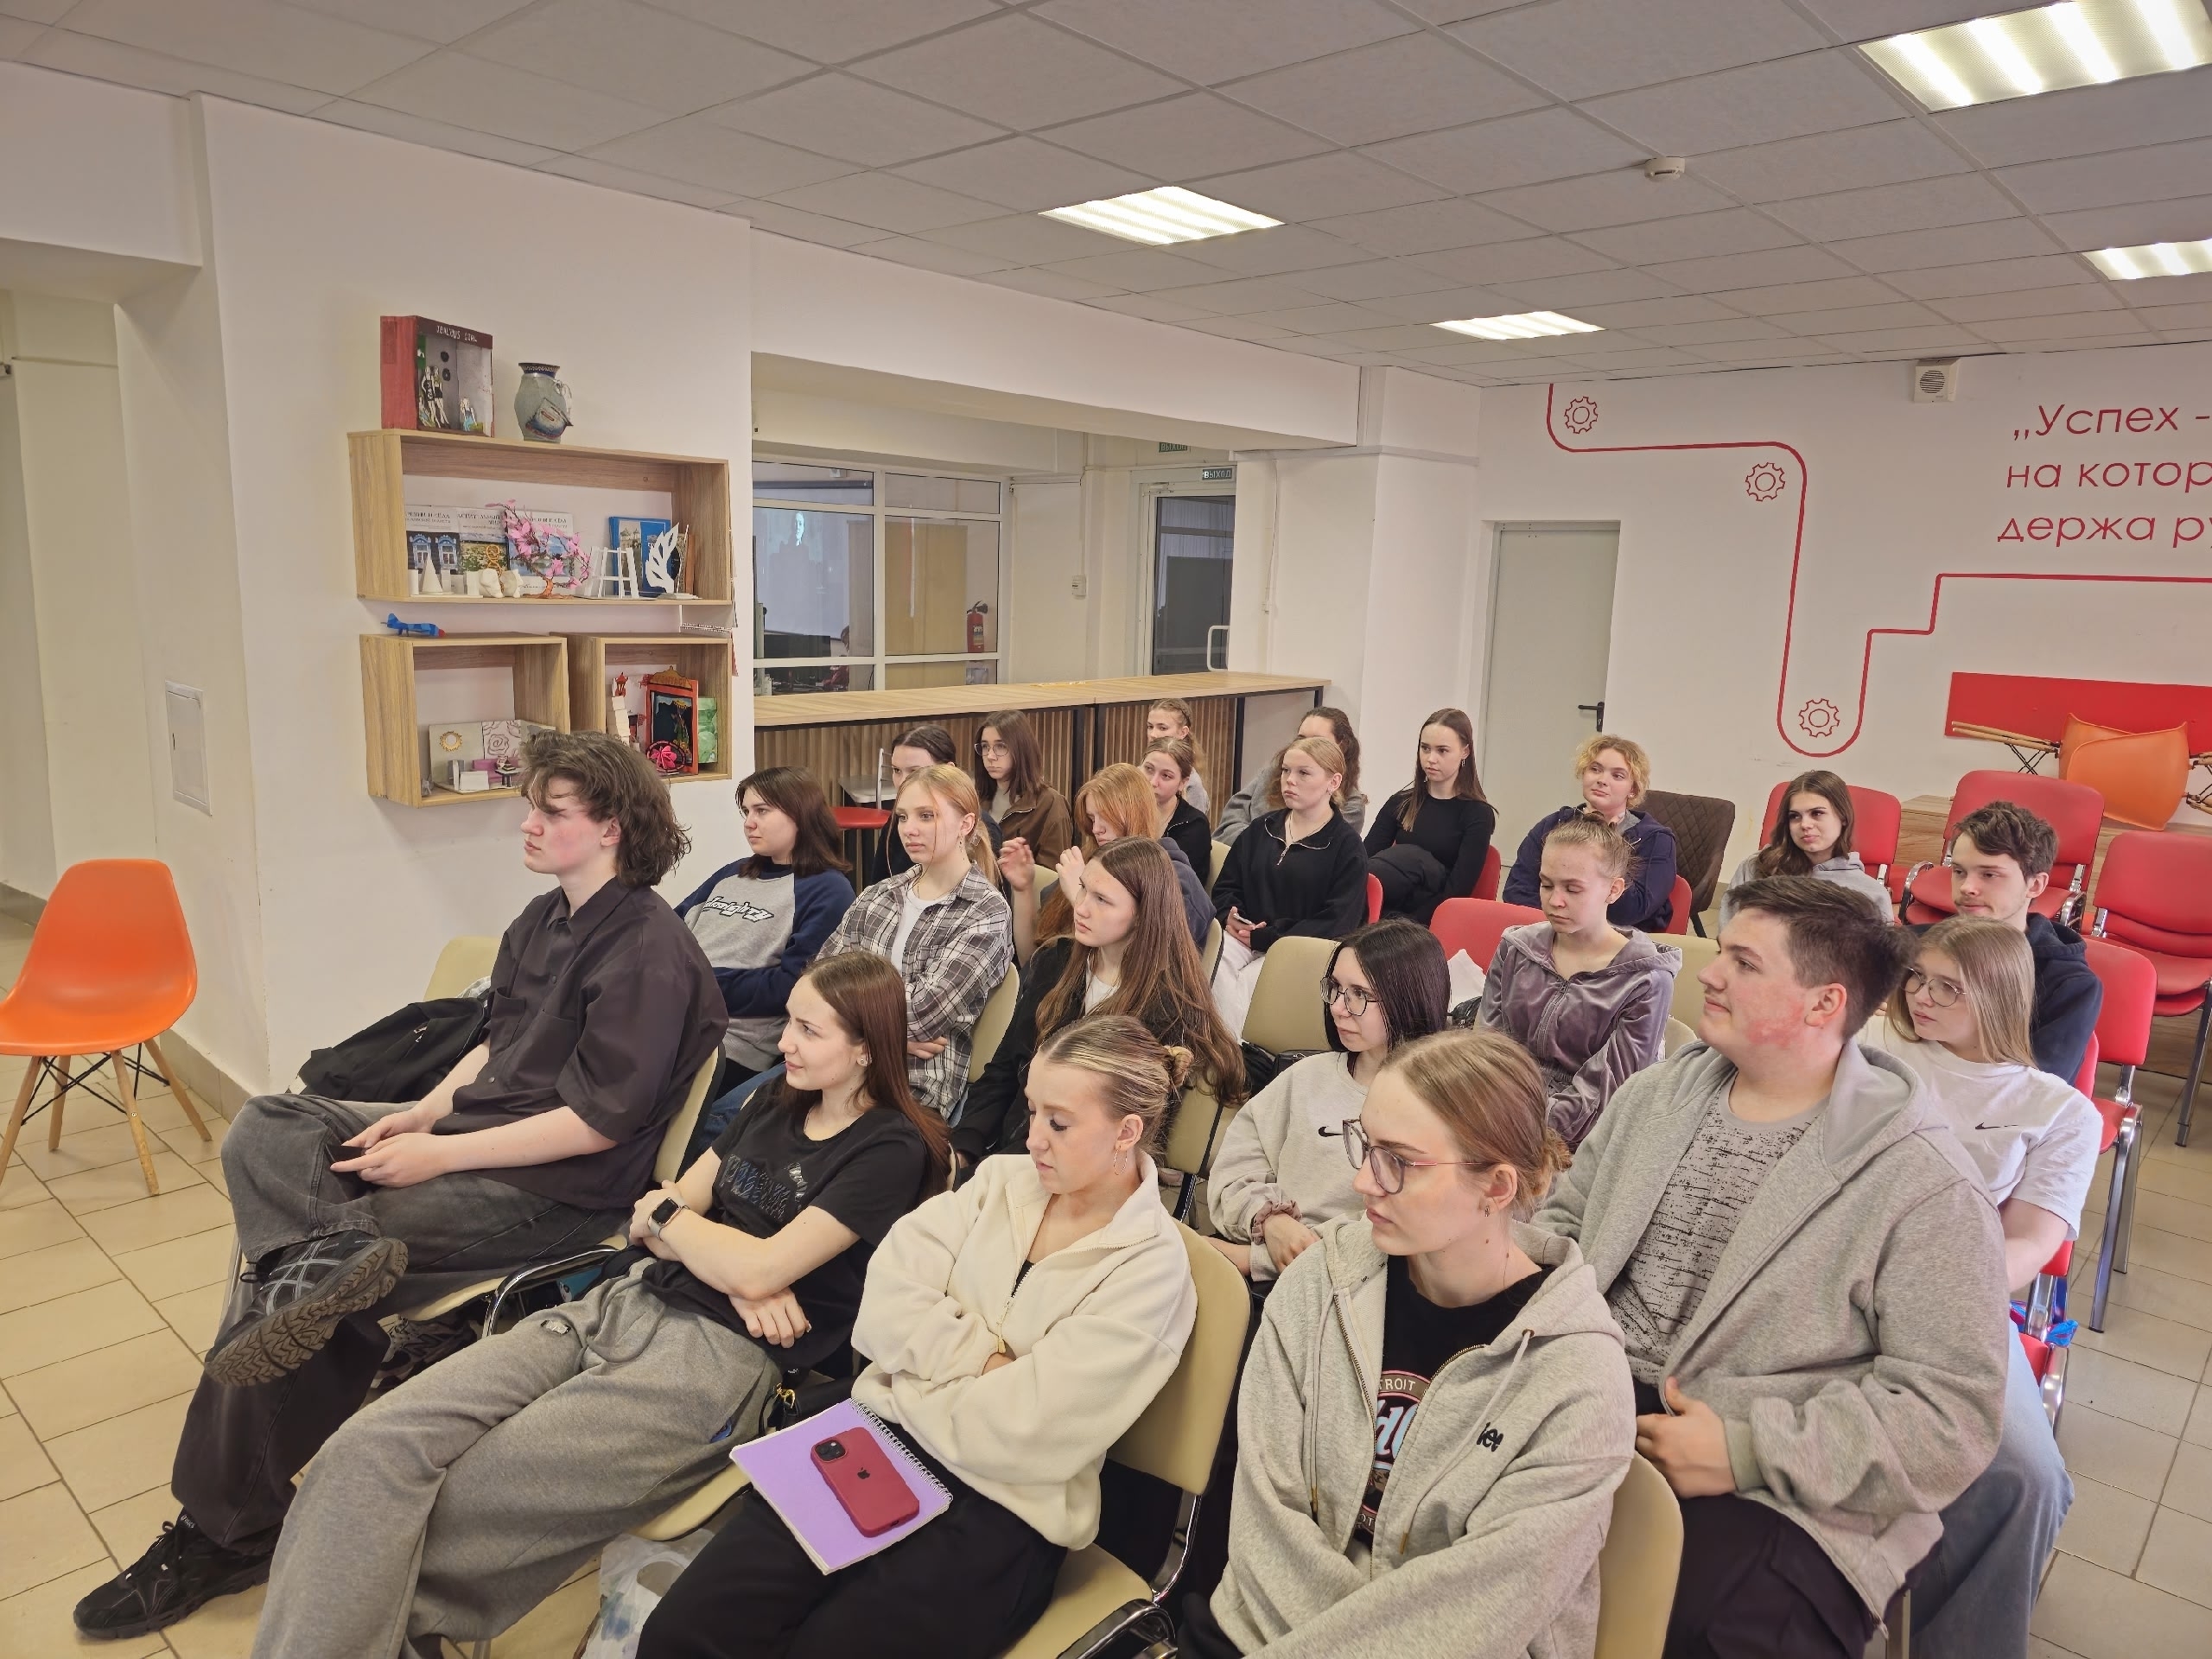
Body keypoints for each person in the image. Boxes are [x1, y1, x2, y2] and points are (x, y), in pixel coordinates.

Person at [75, 732, 728, 1639]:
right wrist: (420, 1116)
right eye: (530, 806)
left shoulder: (649, 954)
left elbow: (597, 1125)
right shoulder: (543, 919)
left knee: (292, 1282)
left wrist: (439, 1157)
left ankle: (226, 1529)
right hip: (474, 1136)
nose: (527, 825)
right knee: (272, 1124)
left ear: (612, 828)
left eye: (551, 812)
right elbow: (494, 1046)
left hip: (556, 1190)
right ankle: (319, 1266)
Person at [246, 955, 944, 1659]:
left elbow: (736, 1249)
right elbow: (657, 1212)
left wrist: (718, 1250)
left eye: (809, 1031)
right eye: (788, 1022)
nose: (784, 1042)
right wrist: (733, 1267)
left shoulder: (892, 1147)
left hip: (714, 1362)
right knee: (368, 1449)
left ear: (866, 1048)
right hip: (623, 1300)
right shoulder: (773, 1102)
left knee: (459, 1501)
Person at [1534, 876, 2009, 1658]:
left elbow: (1949, 1417)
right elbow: (1561, 1228)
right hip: (1591, 1395)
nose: (1710, 974)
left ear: (1824, 1004)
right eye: (1721, 952)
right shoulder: (1657, 1095)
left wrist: (1747, 1450)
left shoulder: (1924, 1184)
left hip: (1785, 1478)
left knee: (1693, 1630)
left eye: (1744, 963)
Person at [638, 1015, 1200, 1659]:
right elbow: (885, 1300)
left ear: (1127, 1132)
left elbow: (1034, 1431)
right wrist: (985, 1361)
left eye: (1060, 1123)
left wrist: (920, 1373)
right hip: (877, 1439)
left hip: (1002, 1508)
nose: (1033, 1139)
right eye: (1032, 1111)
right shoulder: (999, 1182)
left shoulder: (1152, 1271)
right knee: (684, 1635)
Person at [1187, 1029, 1635, 1659]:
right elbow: (1265, 1518)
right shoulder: (1320, 1282)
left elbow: (1476, 1616)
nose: (1363, 1181)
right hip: (1252, 1629)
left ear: (1497, 1187)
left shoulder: (1579, 1380)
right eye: (1366, 1146)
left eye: (1398, 1161)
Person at [1859, 918, 2099, 1659]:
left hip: (1954, 1303)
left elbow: (2029, 1244)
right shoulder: (1871, 1048)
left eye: (1948, 987)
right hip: (1831, 1272)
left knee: (2027, 1478)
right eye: (1917, 979)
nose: (1921, 998)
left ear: (1998, 997)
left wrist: (1929, 1289)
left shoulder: (2058, 1110)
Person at [955, 836, 1243, 1174]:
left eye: (1102, 900)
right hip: (1016, 1151)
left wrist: (994, 1170)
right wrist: (962, 1149)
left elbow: (1110, 1134)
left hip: (1083, 1170)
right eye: (1082, 889)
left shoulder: (1167, 1008)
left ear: (1143, 915)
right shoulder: (1055, 963)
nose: (1081, 907)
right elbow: (1004, 1070)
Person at [1208, 919, 1449, 1281]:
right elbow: (1236, 1165)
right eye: (1335, 988)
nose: (1338, 1007)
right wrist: (1270, 1220)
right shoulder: (1306, 1076)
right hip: (1266, 1253)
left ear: (1408, 999)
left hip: (1354, 1290)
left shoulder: (1437, 1107)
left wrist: (1253, 1259)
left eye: (1359, 994)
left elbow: (1396, 1236)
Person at [817, 765, 1012, 1121]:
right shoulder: (880, 894)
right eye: (903, 817)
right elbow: (817, 984)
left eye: (926, 816)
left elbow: (922, 1014)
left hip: (912, 1084)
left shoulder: (985, 911)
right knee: (741, 1119)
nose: (909, 829)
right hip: (834, 1062)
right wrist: (889, 1038)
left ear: (966, 824)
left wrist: (855, 1019)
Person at [1479, 818, 1680, 1150]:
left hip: (1578, 1138)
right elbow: (1487, 1047)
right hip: (1502, 1110)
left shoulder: (1645, 979)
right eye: (1546, 885)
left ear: (1614, 890)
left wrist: (1519, 1125)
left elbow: (1606, 1094)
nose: (1555, 901)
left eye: (1573, 889)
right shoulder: (1516, 948)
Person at [676, 766, 855, 1103]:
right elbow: (667, 931)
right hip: (668, 1014)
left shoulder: (828, 890)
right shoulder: (732, 873)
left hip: (728, 1044)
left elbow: (790, 986)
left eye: (762, 811)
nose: (749, 823)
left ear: (800, 815)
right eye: (746, 811)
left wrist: (694, 984)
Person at [1928, 800, 2101, 1084]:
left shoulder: (2070, 985)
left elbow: (2037, 1091)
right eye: (1959, 871)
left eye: (1989, 874)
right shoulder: (1917, 948)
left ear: (2035, 885)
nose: (1966, 887)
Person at [1210, 735, 1370, 1038]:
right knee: (1209, 964)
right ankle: (1220, 1048)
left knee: (1252, 983)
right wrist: (1230, 916)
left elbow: (1337, 922)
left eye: (1303, 773)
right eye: (1285, 771)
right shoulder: (1261, 829)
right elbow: (1226, 886)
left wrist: (1269, 936)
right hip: (1244, 938)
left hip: (1298, 950)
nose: (1289, 780)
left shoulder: (1346, 847)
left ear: (1333, 782)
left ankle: (1236, 1054)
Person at [1001, 762, 1210, 963]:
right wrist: (1023, 889)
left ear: (1136, 814)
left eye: (1106, 817)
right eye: (1092, 818)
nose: (1096, 829)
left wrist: (1079, 895)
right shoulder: (1092, 862)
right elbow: (1034, 959)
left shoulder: (1175, 877)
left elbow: (1148, 964)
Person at [1503, 733, 1677, 936]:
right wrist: (1556, 924)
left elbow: (1632, 910)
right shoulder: (1553, 825)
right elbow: (1516, 890)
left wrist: (1602, 844)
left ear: (1633, 789)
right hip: (1547, 932)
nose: (1602, 780)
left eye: (1617, 776)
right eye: (1595, 769)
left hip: (1617, 942)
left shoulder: (1656, 840)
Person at [1362, 708, 1497, 925]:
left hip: (1429, 916)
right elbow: (1365, 860)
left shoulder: (1477, 814)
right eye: (1425, 748)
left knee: (1412, 857)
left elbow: (1458, 890)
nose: (1431, 759)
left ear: (1465, 752)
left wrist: (1407, 924)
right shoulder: (1401, 802)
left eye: (1442, 751)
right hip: (1384, 903)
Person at [1718, 770, 1891, 927]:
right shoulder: (1755, 867)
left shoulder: (1871, 894)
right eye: (1795, 816)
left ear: (1843, 817)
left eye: (1817, 813)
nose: (1805, 824)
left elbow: (1881, 952)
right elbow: (1728, 934)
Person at [865, 724, 1004, 886]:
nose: (903, 782)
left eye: (914, 772)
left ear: (948, 771)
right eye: (896, 770)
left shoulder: (985, 829)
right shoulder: (897, 821)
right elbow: (879, 885)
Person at [1215, 707, 1367, 841]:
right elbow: (1228, 825)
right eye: (1301, 739)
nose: (1305, 747)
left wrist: (1256, 844)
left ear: (1342, 746)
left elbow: (1308, 847)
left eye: (1317, 741)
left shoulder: (1352, 804)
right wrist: (1253, 847)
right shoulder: (1275, 772)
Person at [973, 709, 1073, 868]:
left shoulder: (1050, 803)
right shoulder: (976, 797)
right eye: (985, 747)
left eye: (1000, 746)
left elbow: (1054, 875)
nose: (990, 756)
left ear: (1021, 749)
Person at [1145, 736, 1217, 874]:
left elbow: (1170, 879)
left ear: (1182, 783)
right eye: (1148, 769)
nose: (1153, 782)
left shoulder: (1194, 825)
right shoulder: (1126, 809)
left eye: (1166, 776)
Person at [1147, 696, 1211, 817]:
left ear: (1183, 732)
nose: (1153, 734)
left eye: (1162, 728)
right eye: (1150, 727)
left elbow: (1195, 825)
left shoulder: (1192, 784)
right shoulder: (1140, 769)